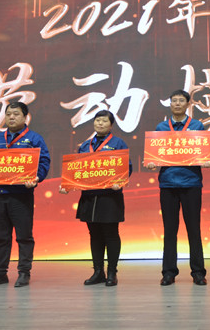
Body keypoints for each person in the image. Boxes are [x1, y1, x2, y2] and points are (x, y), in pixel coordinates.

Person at [0, 101, 51, 288]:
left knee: (24, 236)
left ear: (25, 117)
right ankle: (0, 273)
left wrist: (36, 178)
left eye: (16, 114)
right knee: (1, 236)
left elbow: (44, 162)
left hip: (21, 196)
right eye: (8, 114)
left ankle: (24, 273)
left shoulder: (34, 139)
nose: (11, 117)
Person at [145, 90, 210, 286]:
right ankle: (169, 272)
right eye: (174, 100)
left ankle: (198, 272)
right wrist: (151, 162)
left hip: (191, 183)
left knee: (194, 229)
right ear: (170, 104)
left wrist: (206, 159)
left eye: (181, 100)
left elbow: (202, 152)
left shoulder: (197, 126)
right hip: (168, 184)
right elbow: (156, 154)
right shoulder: (161, 127)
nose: (177, 103)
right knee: (170, 230)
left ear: (188, 104)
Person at [59, 110, 132, 287]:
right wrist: (67, 184)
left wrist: (120, 181)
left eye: (104, 121)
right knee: (94, 235)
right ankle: (98, 272)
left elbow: (126, 167)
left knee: (111, 234)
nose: (100, 123)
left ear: (111, 125)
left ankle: (112, 272)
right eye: (97, 120)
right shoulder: (85, 145)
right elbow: (77, 170)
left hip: (110, 197)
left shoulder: (118, 143)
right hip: (89, 197)